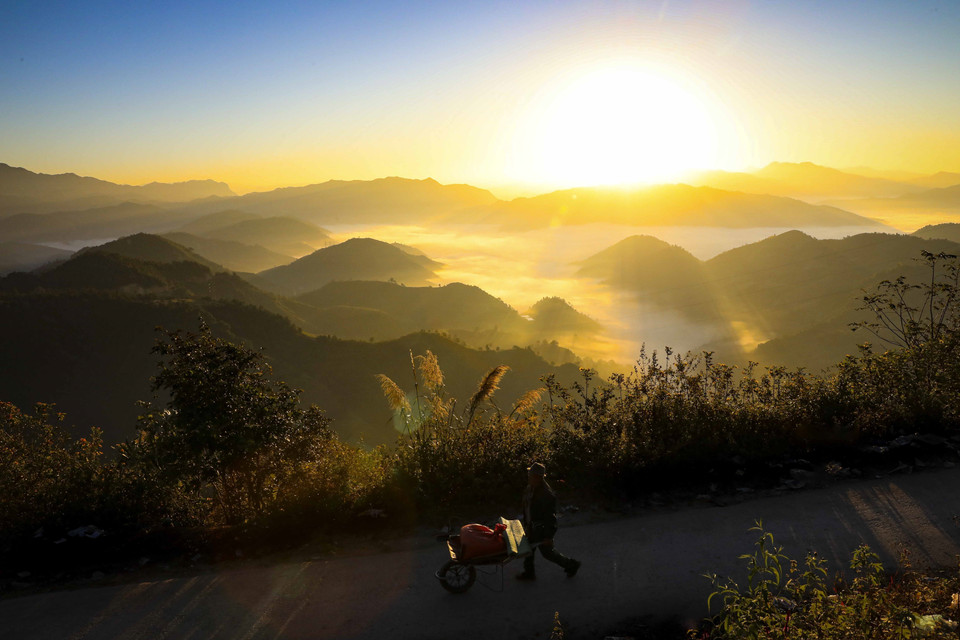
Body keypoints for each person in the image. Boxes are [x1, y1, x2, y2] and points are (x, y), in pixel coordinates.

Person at [516, 461, 581, 580]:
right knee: (528, 550)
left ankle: (572, 564)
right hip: (532, 527)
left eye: (531, 475)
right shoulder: (530, 489)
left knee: (547, 553)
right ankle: (529, 573)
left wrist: (548, 537)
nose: (529, 477)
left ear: (538, 477)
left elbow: (550, 518)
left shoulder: (546, 495)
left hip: (540, 530)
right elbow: (527, 508)